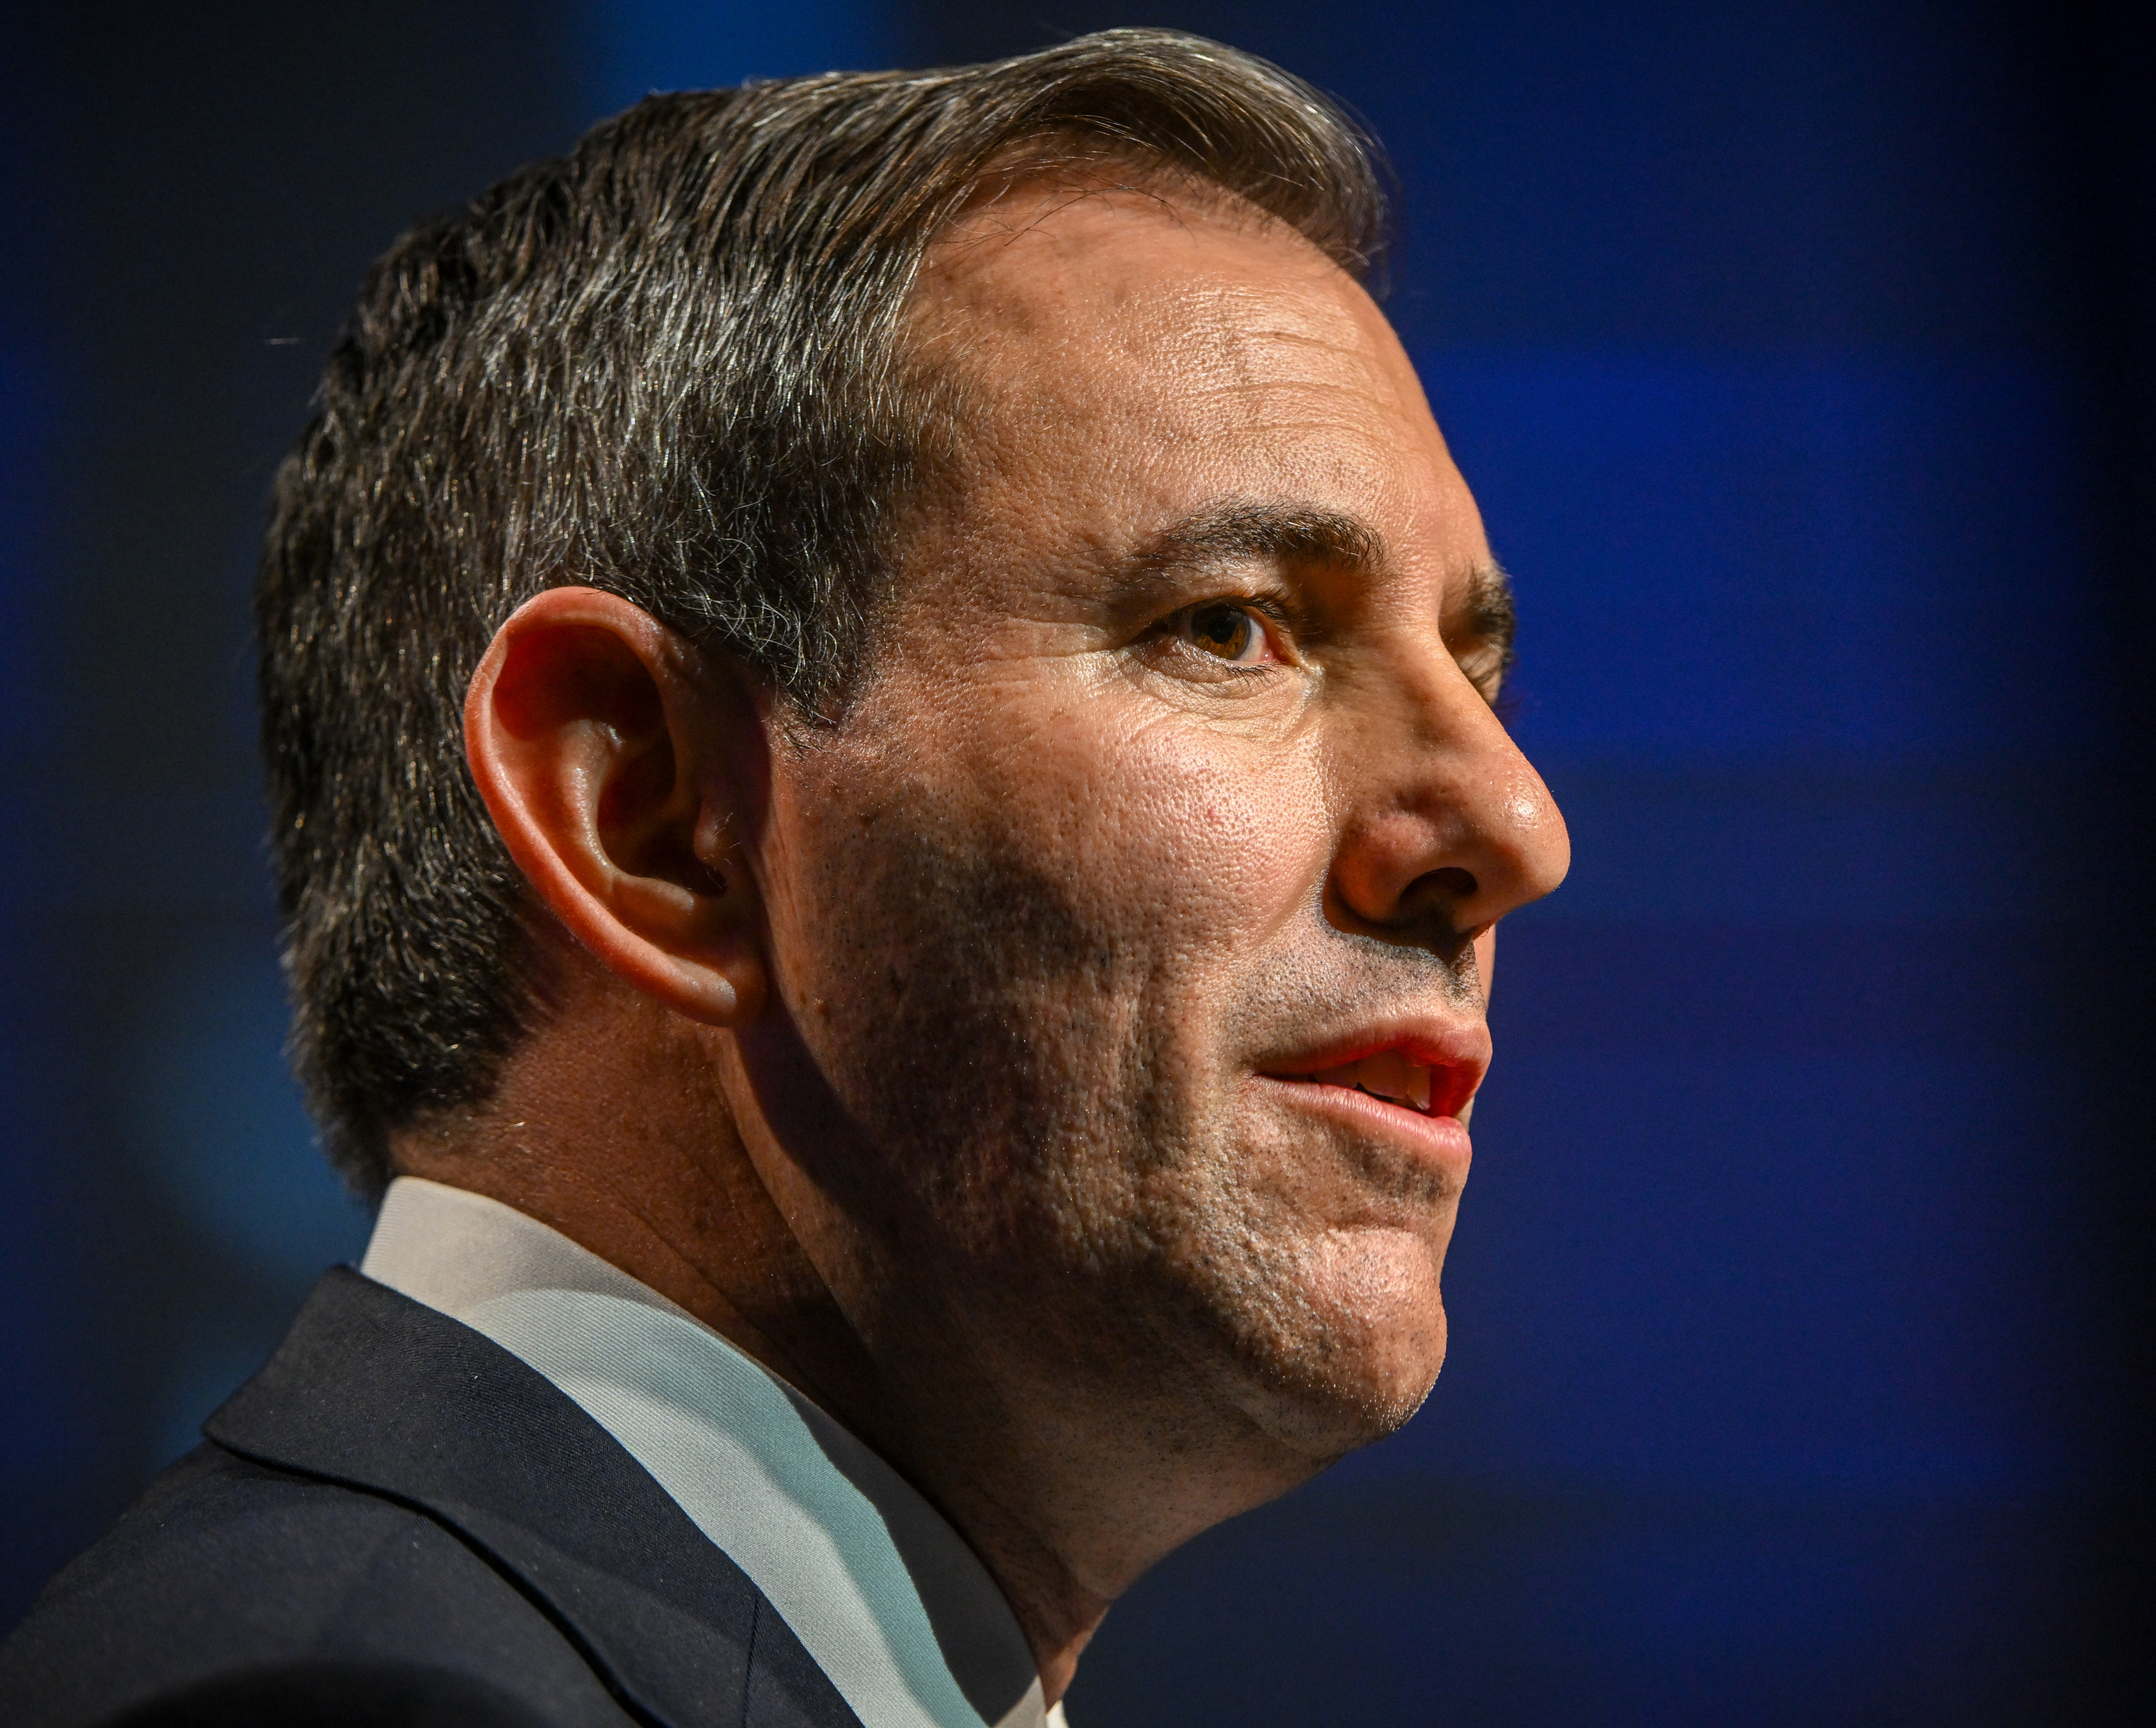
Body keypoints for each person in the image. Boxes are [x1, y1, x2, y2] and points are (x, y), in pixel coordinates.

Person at [0, 28, 1568, 1727]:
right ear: (654, 814)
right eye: (1233, 626)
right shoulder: (355, 1702)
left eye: (1473, 674)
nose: (1511, 823)